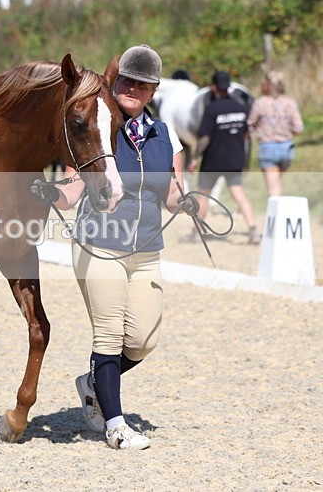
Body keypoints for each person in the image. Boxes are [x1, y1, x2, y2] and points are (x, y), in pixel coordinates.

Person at [47, 45, 198, 450]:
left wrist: (186, 200)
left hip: (147, 249)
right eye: (126, 81)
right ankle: (115, 425)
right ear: (116, 83)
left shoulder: (166, 137)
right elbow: (73, 189)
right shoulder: (100, 124)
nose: (132, 88)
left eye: (142, 85)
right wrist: (47, 193)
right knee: (110, 336)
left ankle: (92, 382)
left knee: (144, 340)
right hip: (100, 244)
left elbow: (170, 195)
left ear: (153, 91)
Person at [188, 71, 259, 245]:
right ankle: (253, 230)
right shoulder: (241, 108)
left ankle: (196, 233)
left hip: (213, 160)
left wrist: (195, 158)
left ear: (213, 87)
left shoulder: (212, 109)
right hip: (234, 160)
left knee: (203, 195)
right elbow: (244, 135)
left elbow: (205, 138)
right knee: (239, 194)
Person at [246, 70, 304, 197]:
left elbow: (249, 126)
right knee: (276, 184)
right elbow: (299, 128)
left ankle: (275, 215)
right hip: (287, 149)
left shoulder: (261, 102)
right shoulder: (290, 102)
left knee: (273, 189)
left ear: (268, 85)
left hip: (267, 148)